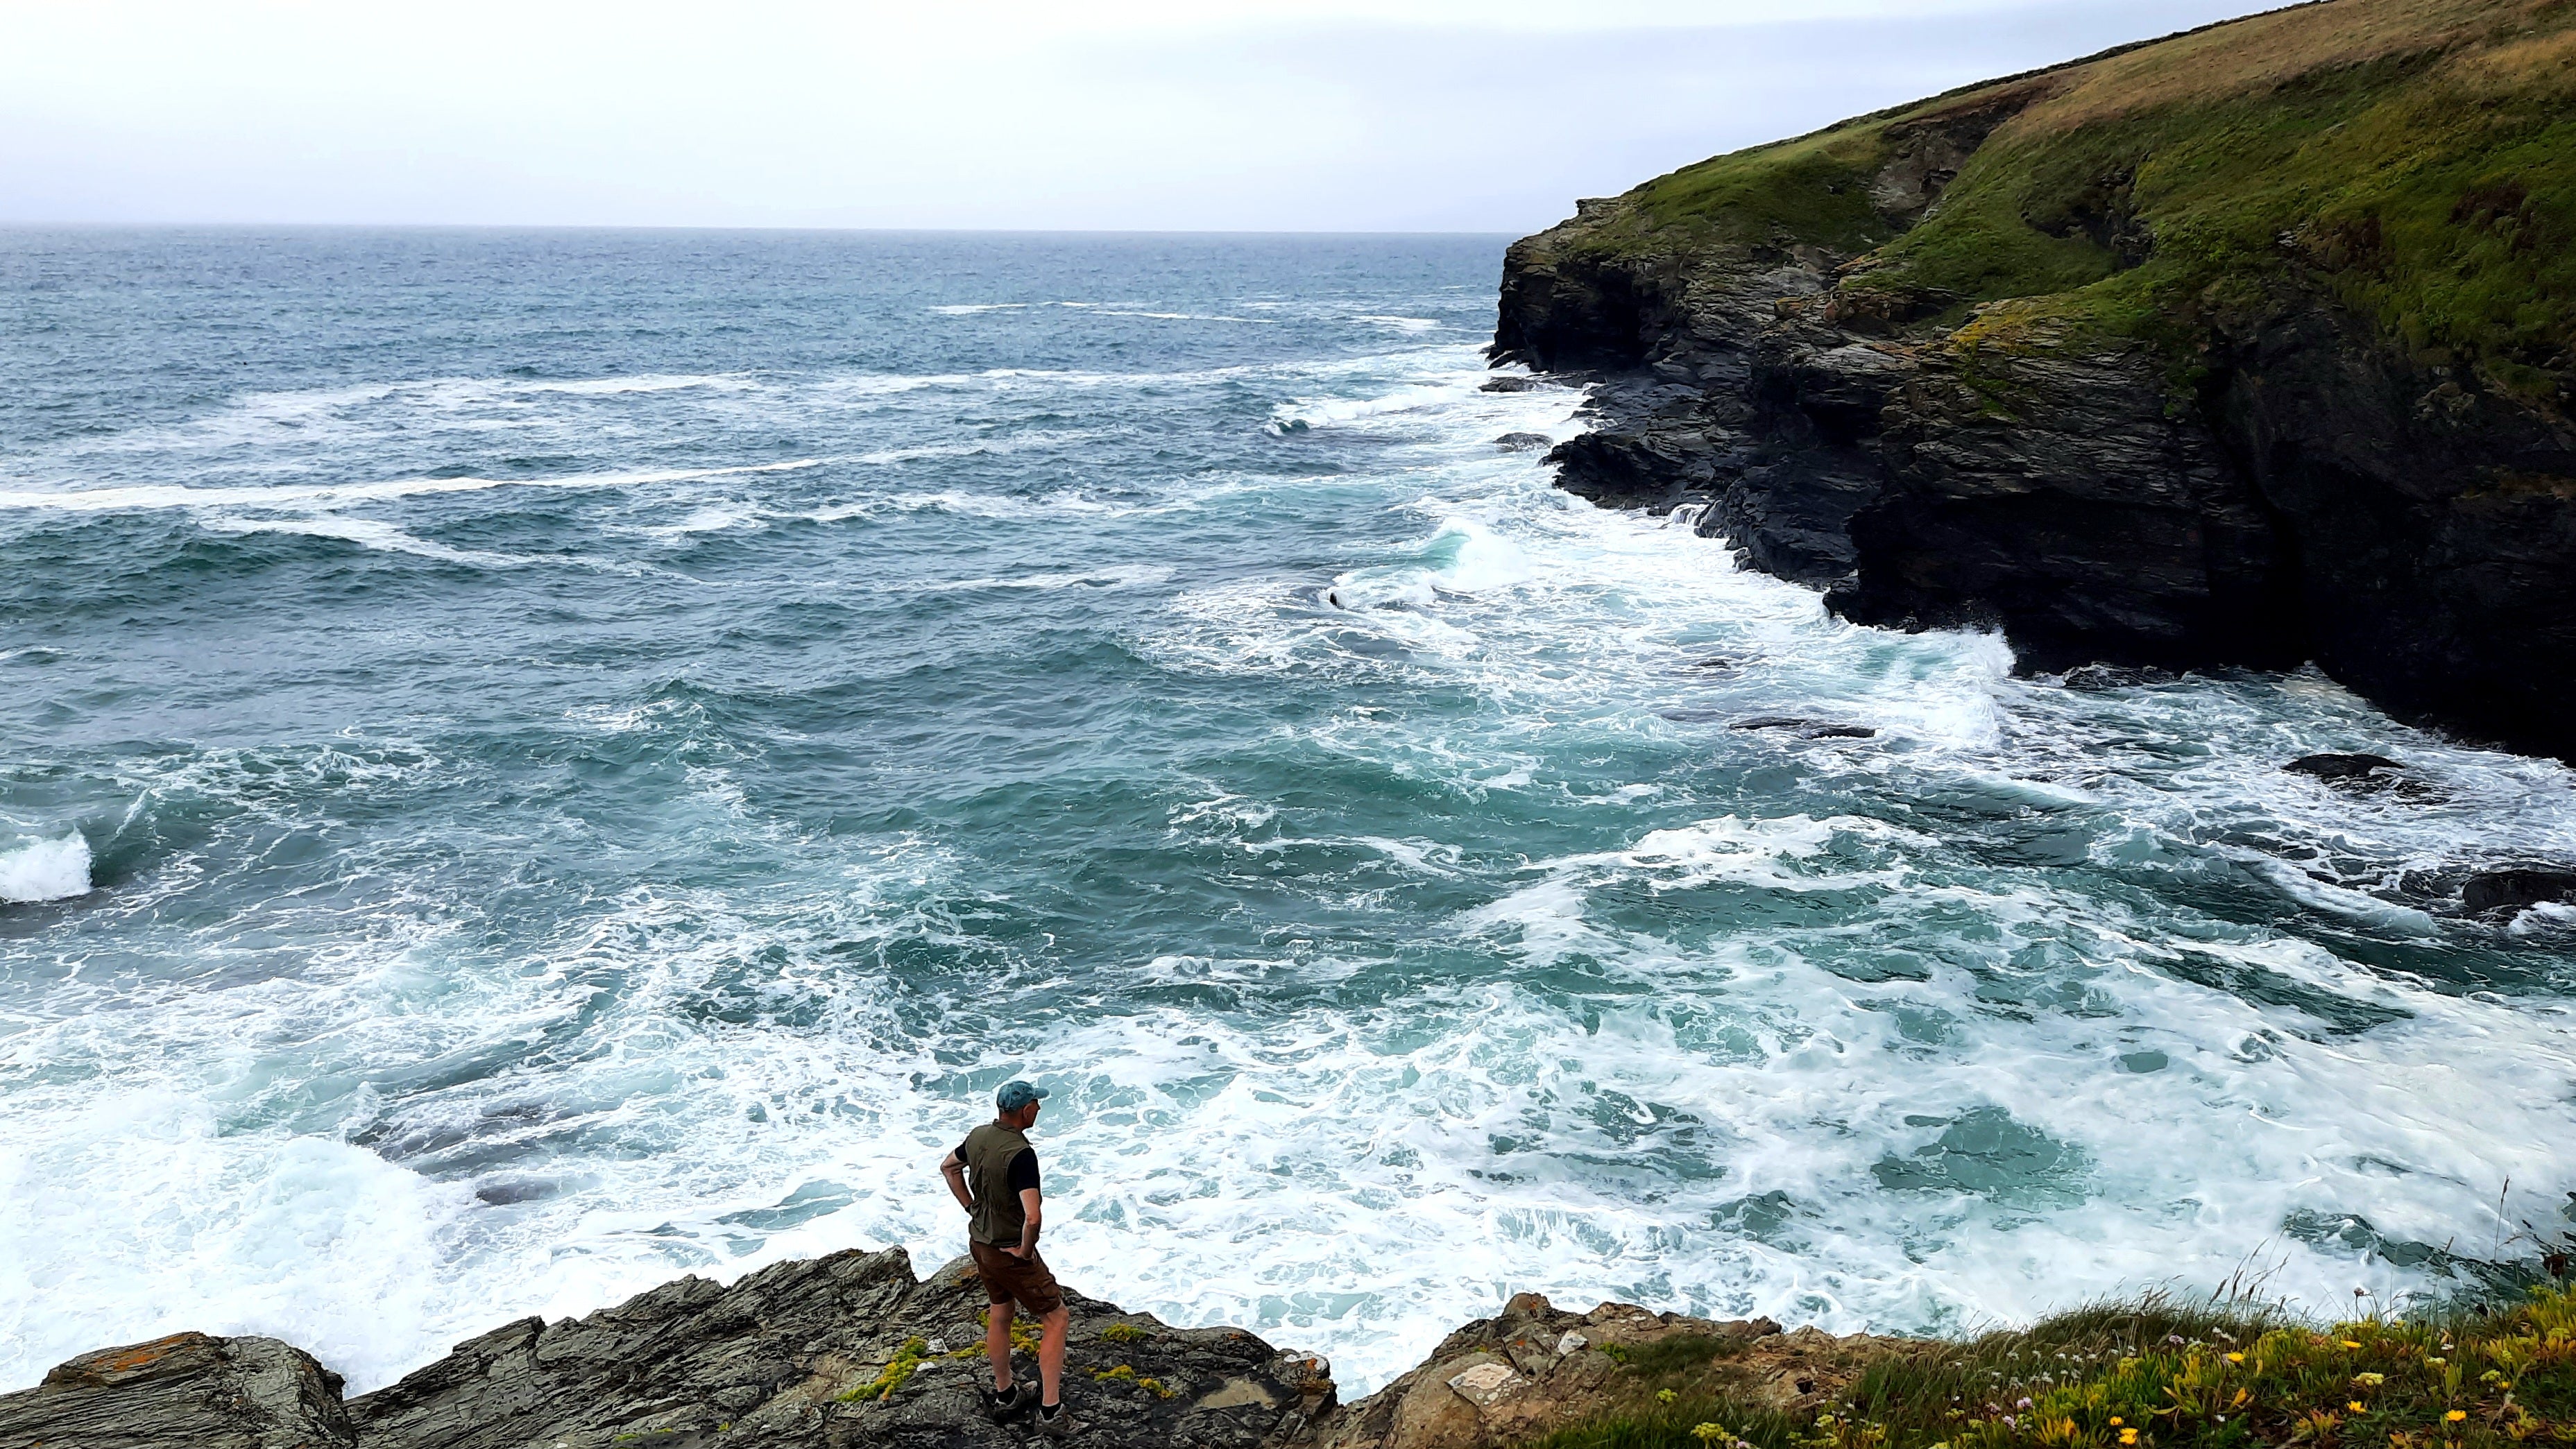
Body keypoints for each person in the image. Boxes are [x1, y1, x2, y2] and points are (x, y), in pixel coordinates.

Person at [939, 1079, 1074, 1436]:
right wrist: (1026, 1251)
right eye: (1036, 1104)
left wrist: (972, 1208)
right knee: (1056, 1318)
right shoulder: (1021, 1154)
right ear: (1024, 1109)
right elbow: (1033, 1217)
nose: (1039, 1109)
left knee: (1001, 1311)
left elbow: (949, 1168)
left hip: (981, 1245)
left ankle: (1007, 1394)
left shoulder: (979, 1136)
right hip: (1009, 1249)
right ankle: (1051, 1413)